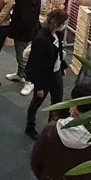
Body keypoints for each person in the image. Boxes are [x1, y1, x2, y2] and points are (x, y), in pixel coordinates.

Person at [25, 9, 69, 139]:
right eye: (64, 23)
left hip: (55, 73)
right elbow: (36, 65)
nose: (65, 25)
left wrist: (62, 67)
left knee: (57, 103)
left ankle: (51, 128)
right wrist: (39, 86)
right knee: (36, 103)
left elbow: (59, 52)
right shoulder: (41, 39)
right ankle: (30, 127)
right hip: (43, 77)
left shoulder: (58, 34)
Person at [7, 0, 42, 96]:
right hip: (30, 29)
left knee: (22, 56)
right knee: (22, 54)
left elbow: (24, 18)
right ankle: (20, 74)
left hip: (23, 32)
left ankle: (29, 81)